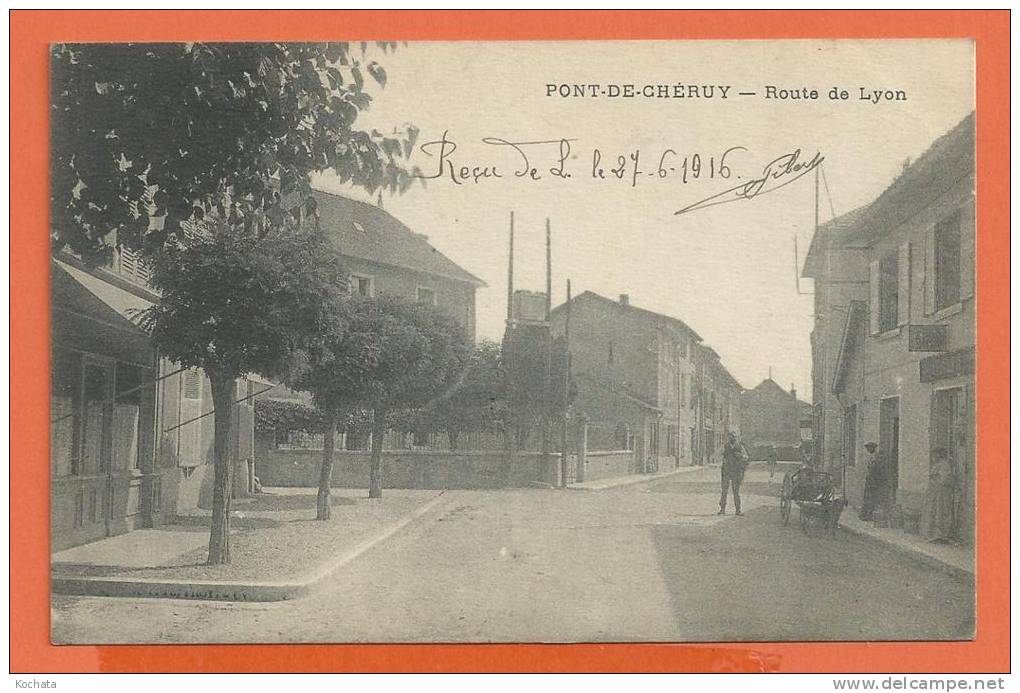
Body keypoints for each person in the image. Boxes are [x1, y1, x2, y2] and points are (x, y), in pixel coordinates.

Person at [923, 447, 957, 542]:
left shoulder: (944, 464)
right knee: (933, 510)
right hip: (935, 492)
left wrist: (936, 481)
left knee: (940, 511)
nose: (933, 457)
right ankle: (933, 534)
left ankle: (940, 535)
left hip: (941, 493)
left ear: (939, 455)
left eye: (935, 454)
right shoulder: (938, 464)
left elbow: (944, 479)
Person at [719, 431, 749, 516]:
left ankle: (738, 510)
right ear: (729, 438)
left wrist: (740, 456)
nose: (732, 438)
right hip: (726, 471)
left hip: (736, 471)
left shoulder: (740, 447)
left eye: (734, 437)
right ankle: (722, 509)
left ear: (736, 438)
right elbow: (717, 454)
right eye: (731, 437)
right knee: (724, 491)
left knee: (736, 491)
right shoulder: (725, 446)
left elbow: (746, 457)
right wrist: (723, 459)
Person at [859, 442, 887, 521]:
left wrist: (872, 478)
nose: (868, 449)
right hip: (869, 480)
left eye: (869, 448)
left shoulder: (875, 457)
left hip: (873, 481)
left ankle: (869, 515)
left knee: (871, 498)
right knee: (867, 498)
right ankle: (866, 515)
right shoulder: (871, 456)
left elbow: (874, 469)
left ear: (873, 448)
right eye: (867, 448)